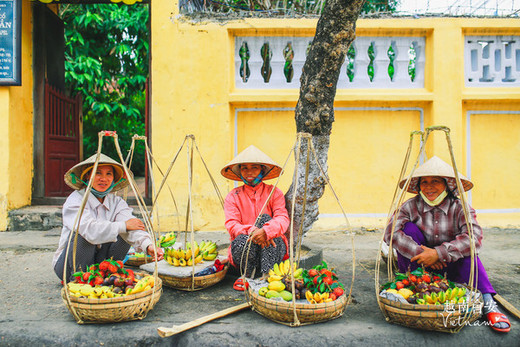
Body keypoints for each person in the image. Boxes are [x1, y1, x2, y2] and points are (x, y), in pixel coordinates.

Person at [384, 156, 511, 333]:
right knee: (409, 229)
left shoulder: (459, 207)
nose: (428, 187)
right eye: (424, 182)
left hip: (449, 264)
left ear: (447, 185)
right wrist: (423, 254)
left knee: (470, 253)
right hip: (418, 268)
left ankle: (488, 302)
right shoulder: (410, 206)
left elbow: (474, 237)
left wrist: (439, 253)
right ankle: (412, 292)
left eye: (435, 181)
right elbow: (390, 234)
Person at [53, 153, 164, 282]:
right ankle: (79, 280)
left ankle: (108, 275)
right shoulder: (76, 200)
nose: (103, 179)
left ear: (113, 179)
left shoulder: (116, 202)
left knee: (126, 232)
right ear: (88, 176)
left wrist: (148, 245)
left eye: (109, 174)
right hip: (69, 264)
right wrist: (123, 225)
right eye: (98, 173)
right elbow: (89, 230)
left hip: (99, 262)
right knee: (83, 234)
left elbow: (132, 225)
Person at [221, 145, 290, 283]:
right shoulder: (233, 196)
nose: (249, 172)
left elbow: (282, 218)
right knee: (241, 239)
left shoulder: (274, 192)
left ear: (262, 170)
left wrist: (266, 231)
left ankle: (267, 274)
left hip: (272, 247)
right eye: (244, 168)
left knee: (265, 219)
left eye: (254, 167)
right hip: (245, 249)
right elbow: (232, 224)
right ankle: (248, 273)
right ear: (240, 171)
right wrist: (253, 231)